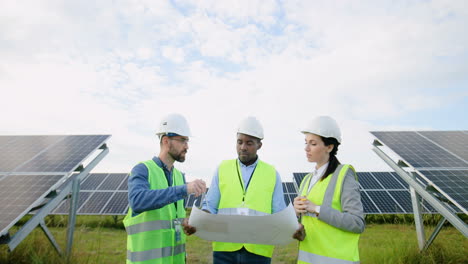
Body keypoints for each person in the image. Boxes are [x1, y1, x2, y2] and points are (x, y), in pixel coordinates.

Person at [184, 116, 286, 264]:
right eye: (239, 142)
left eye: (249, 143)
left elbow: (279, 214)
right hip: (224, 249)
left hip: (258, 250)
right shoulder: (222, 169)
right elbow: (210, 206)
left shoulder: (272, 173)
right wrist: (196, 221)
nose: (243, 147)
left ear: (259, 145)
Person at [123, 113, 206, 264]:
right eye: (182, 140)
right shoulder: (143, 170)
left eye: (187, 141)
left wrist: (185, 223)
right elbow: (137, 201)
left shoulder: (179, 177)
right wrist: (184, 189)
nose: (187, 146)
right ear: (166, 141)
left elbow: (171, 218)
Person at [292, 116, 365, 264]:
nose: (306, 148)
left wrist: (317, 209)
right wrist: (296, 220)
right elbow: (309, 225)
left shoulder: (343, 175)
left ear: (329, 147)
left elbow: (357, 223)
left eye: (313, 143)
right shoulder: (306, 180)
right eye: (306, 143)